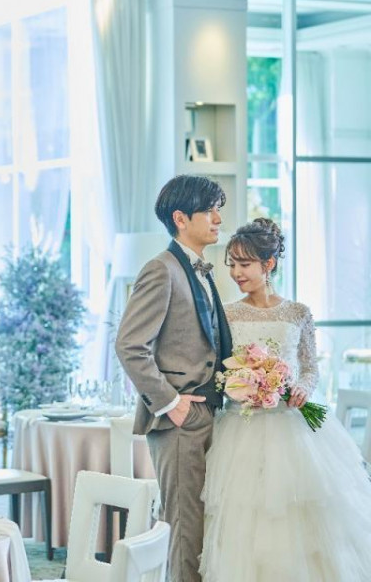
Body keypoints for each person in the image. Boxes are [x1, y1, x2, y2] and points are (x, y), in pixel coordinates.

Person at [199, 218, 371, 582]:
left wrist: (304, 387)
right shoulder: (227, 314)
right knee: (247, 516)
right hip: (242, 429)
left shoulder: (298, 313)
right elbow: (217, 368)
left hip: (294, 427)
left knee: (307, 514)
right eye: (231, 264)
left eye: (244, 264)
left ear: (269, 263)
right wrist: (239, 385)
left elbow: (310, 367)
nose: (236, 273)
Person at [115, 174, 232, 582]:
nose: (218, 219)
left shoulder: (200, 270)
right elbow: (130, 345)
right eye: (210, 211)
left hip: (209, 413)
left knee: (202, 523)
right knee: (184, 525)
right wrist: (171, 403)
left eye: (219, 210)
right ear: (181, 218)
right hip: (180, 419)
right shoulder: (160, 270)